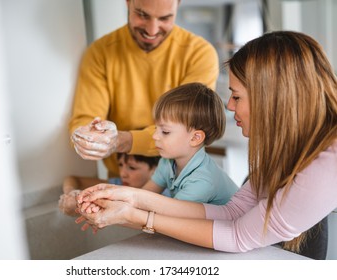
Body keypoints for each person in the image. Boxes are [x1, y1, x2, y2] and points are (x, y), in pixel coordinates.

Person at [75, 31, 337, 256]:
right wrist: (129, 196)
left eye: (236, 96)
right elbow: (234, 211)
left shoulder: (328, 162)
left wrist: (134, 216)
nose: (230, 105)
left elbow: (237, 235)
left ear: (272, 99)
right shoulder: (292, 150)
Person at [69, 0, 219, 181]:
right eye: (142, 15)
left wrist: (121, 141)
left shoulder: (199, 54)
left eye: (165, 18)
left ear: (178, 6)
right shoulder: (99, 53)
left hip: (179, 179)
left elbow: (186, 130)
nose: (152, 30)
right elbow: (84, 118)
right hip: (124, 179)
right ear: (128, 3)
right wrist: (89, 136)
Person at [140, 82, 238, 203]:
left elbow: (170, 216)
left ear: (195, 138)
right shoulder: (167, 163)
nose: (155, 136)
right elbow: (143, 196)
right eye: (156, 128)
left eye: (165, 131)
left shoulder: (202, 181)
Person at [58, 153, 160, 216]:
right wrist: (70, 193)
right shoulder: (117, 185)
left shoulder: (165, 196)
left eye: (132, 168)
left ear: (156, 170)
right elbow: (72, 179)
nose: (122, 174)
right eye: (120, 165)